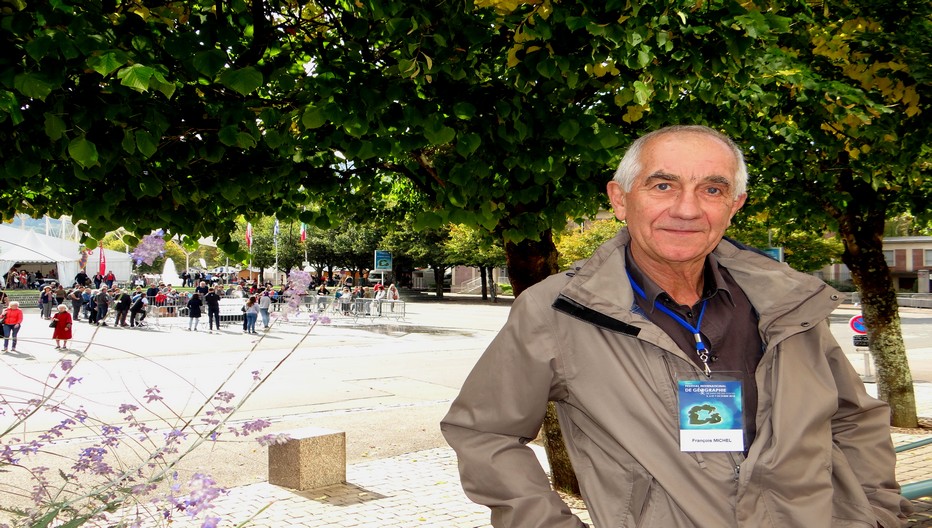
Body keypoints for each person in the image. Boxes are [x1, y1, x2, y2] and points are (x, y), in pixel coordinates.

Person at [440, 125, 910, 528]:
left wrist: (873, 510)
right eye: (662, 185)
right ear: (620, 199)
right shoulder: (555, 309)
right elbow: (485, 432)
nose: (687, 209)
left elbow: (853, 417)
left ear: (735, 204)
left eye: (712, 189)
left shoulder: (787, 305)